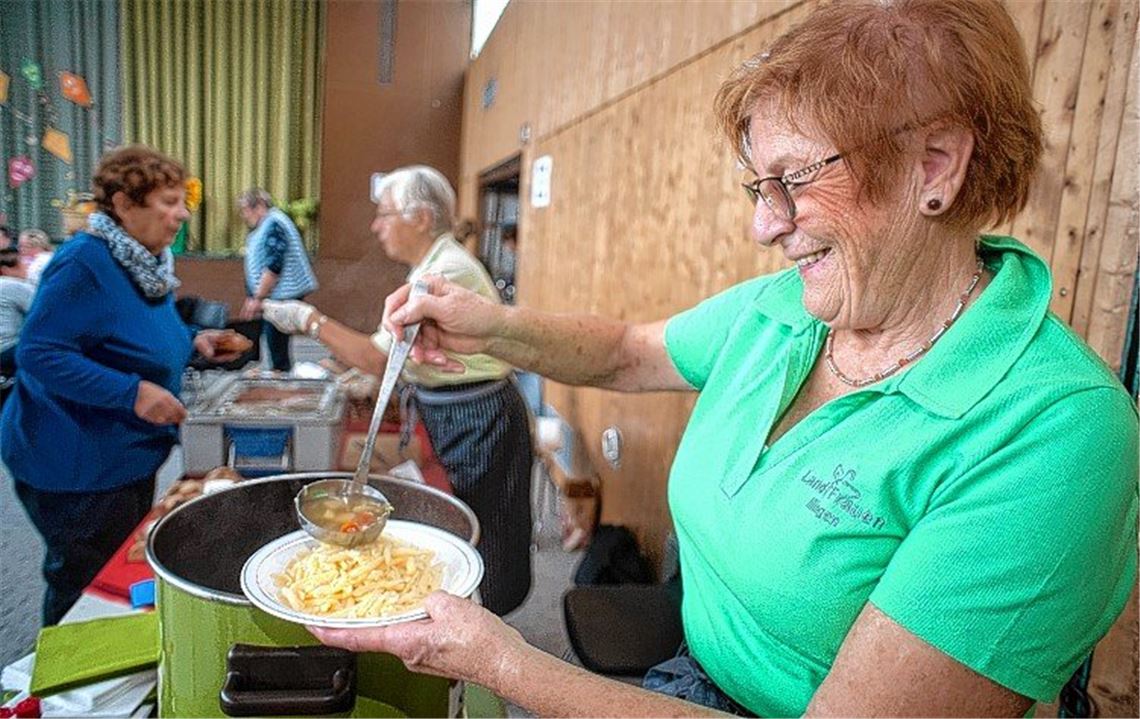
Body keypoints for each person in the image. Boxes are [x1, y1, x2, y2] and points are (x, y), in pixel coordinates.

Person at [309, 1, 1138, 716]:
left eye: (793, 180)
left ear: (936, 166)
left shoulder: (1055, 435)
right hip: (689, 675)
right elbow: (633, 352)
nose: (763, 226)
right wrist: (491, 327)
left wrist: (502, 661)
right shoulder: (789, 311)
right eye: (756, 187)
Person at [262, 165, 533, 616]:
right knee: (469, 519)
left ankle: (489, 631)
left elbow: (377, 356)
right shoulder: (432, 264)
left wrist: (307, 320)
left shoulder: (446, 270)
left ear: (422, 218)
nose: (376, 225)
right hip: (452, 407)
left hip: (478, 414)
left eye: (384, 214)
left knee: (487, 530)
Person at [0, 145, 242, 625]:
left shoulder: (144, 262)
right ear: (124, 204)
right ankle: (69, 688)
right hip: (75, 462)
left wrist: (198, 342)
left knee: (113, 565)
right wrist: (132, 393)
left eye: (182, 201)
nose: (182, 213)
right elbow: (39, 353)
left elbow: (134, 337)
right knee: (83, 584)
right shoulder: (84, 262)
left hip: (124, 452)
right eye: (168, 202)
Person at [236, 188, 318, 371]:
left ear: (259, 206)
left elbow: (274, 265)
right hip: (275, 294)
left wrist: (257, 298)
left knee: (276, 343)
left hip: (282, 294)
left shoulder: (274, 223)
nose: (244, 215)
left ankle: (282, 379)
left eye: (245, 210)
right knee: (273, 342)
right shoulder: (267, 224)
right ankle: (280, 376)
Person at [0, 248, 34, 375]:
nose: (27, 266)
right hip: (8, 349)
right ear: (6, 270)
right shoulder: (13, 285)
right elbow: (42, 309)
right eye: (22, 263)